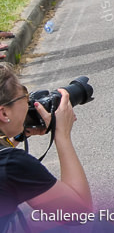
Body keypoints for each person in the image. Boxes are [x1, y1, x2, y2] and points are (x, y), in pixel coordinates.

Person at [0, 65, 92, 227]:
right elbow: (79, 214)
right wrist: (61, 135)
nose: (28, 103)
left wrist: (19, 136)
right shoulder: (13, 164)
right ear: (4, 113)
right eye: (24, 97)